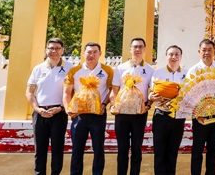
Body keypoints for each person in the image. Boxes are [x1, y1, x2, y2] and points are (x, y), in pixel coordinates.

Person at [64, 42, 114, 175]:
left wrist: (104, 104)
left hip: (98, 115)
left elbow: (111, 90)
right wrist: (69, 109)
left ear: (100, 54)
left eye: (95, 52)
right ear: (83, 53)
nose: (91, 55)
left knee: (98, 149)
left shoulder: (107, 70)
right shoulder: (75, 70)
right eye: (89, 52)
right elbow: (67, 93)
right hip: (79, 115)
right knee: (77, 149)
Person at [26, 38, 72, 175]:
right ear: (46, 50)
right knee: (40, 149)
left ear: (62, 50)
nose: (54, 51)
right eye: (51, 48)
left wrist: (62, 108)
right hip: (40, 113)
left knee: (57, 149)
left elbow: (74, 92)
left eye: (57, 48)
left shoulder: (70, 68)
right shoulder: (38, 69)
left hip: (59, 112)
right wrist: (37, 109)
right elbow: (29, 92)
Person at [111, 38, 154, 175]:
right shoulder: (120, 68)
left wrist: (149, 105)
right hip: (122, 113)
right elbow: (114, 90)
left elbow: (152, 91)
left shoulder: (150, 70)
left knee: (137, 148)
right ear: (130, 49)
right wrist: (114, 105)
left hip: (139, 114)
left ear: (144, 49)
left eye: (140, 47)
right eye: (135, 47)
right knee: (122, 148)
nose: (137, 49)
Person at [186, 39, 215, 175]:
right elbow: (188, 93)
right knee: (197, 148)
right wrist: (195, 113)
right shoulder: (193, 70)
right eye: (204, 50)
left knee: (213, 148)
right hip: (199, 115)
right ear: (199, 52)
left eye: (210, 50)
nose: (207, 53)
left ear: (214, 51)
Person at [150, 45, 187, 175]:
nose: (174, 57)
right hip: (161, 115)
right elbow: (151, 93)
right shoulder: (158, 73)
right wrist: (151, 97)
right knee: (159, 152)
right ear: (166, 56)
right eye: (171, 54)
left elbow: (189, 94)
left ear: (181, 57)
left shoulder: (187, 74)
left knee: (172, 152)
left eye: (177, 54)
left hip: (178, 117)